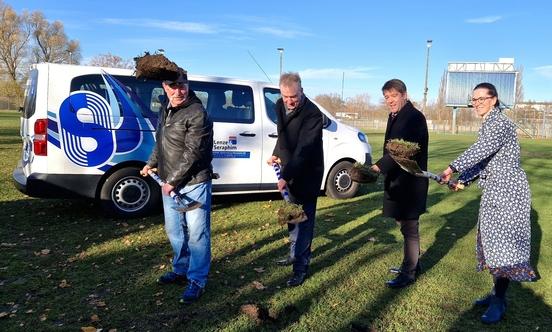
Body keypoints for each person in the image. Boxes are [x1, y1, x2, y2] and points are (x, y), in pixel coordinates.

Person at [440, 82, 536, 324]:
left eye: (482, 98)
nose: (477, 103)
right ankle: (496, 294)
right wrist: (463, 180)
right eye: (474, 99)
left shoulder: (501, 123)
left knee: (504, 247)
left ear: (494, 100)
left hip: (509, 192)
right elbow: (485, 160)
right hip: (494, 191)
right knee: (492, 244)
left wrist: (452, 167)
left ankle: (498, 301)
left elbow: (482, 149)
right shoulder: (488, 124)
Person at [141, 67, 214, 304]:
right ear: (164, 87)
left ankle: (197, 280)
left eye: (183, 84)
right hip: (169, 182)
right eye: (173, 86)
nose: (179, 90)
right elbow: (160, 140)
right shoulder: (166, 107)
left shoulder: (196, 113)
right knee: (175, 232)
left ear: (188, 84)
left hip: (193, 183)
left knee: (197, 234)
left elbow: (193, 153)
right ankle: (180, 269)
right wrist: (151, 163)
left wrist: (172, 181)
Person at [267, 72, 324, 287]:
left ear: (302, 90)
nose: (290, 101)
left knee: (304, 221)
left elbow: (303, 150)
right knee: (292, 217)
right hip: (289, 169)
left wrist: (285, 176)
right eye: (285, 96)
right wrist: (276, 153)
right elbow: (283, 136)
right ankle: (293, 254)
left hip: (308, 172)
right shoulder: (280, 106)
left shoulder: (313, 114)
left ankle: (300, 268)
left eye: (294, 96)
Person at [370, 79, 428, 288]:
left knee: (410, 226)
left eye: (394, 96)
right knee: (403, 225)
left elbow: (402, 151)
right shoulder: (395, 116)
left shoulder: (414, 117)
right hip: (397, 180)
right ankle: (412, 264)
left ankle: (409, 272)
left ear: (404, 94)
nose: (390, 100)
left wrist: (378, 167)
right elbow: (390, 147)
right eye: (387, 97)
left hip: (410, 183)